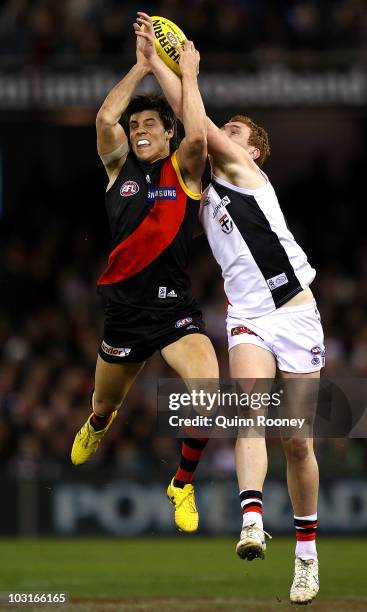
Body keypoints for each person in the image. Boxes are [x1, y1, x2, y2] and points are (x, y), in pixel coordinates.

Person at [135, 12, 324, 604]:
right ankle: (250, 522)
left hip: (294, 311)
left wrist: (181, 68)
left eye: (237, 131)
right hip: (246, 317)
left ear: (256, 151)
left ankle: (307, 555)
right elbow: (192, 128)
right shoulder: (206, 184)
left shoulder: (246, 175)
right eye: (228, 129)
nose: (226, 134)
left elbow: (199, 121)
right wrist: (158, 65)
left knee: (296, 440)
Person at [70, 27, 219, 534]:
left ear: (168, 132)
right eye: (137, 125)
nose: (139, 130)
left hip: (175, 312)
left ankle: (181, 483)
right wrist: (141, 66)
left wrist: (183, 74)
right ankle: (97, 423)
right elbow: (104, 118)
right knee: (104, 402)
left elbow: (199, 136)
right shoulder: (120, 172)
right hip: (124, 315)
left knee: (208, 391)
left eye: (150, 123)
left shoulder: (186, 170)